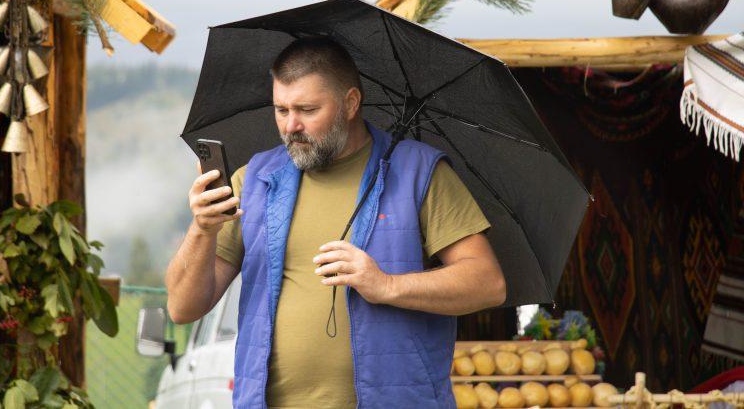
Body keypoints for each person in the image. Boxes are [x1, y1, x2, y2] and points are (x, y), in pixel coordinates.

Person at [165, 36, 506, 408]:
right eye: (281, 110)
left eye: (307, 110)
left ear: (350, 103)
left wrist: (386, 285)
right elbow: (183, 307)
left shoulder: (419, 172)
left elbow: (487, 283)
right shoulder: (254, 180)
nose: (291, 126)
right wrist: (202, 229)